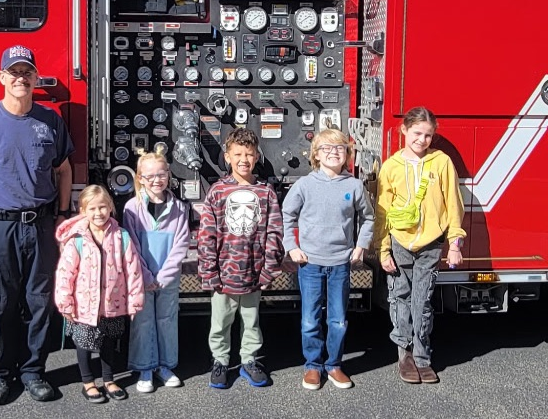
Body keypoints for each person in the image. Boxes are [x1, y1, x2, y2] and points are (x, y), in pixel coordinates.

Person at [0, 45, 74, 405]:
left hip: (40, 224)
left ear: (36, 78)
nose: (21, 78)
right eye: (14, 72)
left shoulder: (50, 120)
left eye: (27, 72)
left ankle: (34, 372)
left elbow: (63, 170)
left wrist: (63, 215)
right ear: (2, 78)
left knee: (39, 302)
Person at [374, 106, 466, 384]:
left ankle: (423, 356)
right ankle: (404, 354)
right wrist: (382, 248)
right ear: (404, 130)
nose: (422, 140)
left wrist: (455, 243)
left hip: (430, 245)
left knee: (422, 301)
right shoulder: (390, 166)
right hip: (399, 243)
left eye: (428, 135)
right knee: (400, 298)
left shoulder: (441, 162)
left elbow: (454, 204)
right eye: (417, 133)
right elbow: (382, 211)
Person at [282, 129, 374, 391]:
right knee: (310, 319)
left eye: (339, 148)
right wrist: (292, 247)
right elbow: (286, 215)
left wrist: (361, 246)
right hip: (309, 263)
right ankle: (313, 365)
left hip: (340, 265)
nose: (333, 152)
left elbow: (368, 218)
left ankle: (334, 365)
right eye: (326, 148)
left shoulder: (354, 186)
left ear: (347, 154)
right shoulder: (304, 185)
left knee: (338, 320)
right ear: (316, 155)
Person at [198, 128, 284, 389]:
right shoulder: (217, 192)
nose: (243, 159)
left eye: (249, 154)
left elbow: (274, 232)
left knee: (251, 320)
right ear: (227, 157)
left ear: (257, 156)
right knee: (220, 322)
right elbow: (206, 235)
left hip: (253, 272)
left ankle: (249, 359)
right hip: (223, 274)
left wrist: (269, 269)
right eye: (238, 154)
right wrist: (209, 272)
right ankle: (220, 361)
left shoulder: (266, 193)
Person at [55, 184, 145, 403]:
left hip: (112, 304)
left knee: (108, 343)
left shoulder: (121, 236)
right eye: (92, 209)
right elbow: (65, 274)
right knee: (84, 343)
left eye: (103, 207)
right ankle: (88, 382)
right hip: (84, 306)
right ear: (83, 211)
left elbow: (132, 270)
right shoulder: (77, 239)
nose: (98, 213)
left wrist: (134, 301)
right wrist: (65, 303)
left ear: (111, 207)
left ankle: (109, 379)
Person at [123, 153, 190, 393]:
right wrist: (146, 275)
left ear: (168, 175)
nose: (156, 180)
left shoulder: (179, 209)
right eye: (149, 176)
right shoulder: (132, 208)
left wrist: (162, 277)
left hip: (167, 279)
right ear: (140, 178)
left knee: (167, 320)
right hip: (142, 277)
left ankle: (165, 366)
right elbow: (130, 245)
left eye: (161, 174)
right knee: (142, 321)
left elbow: (181, 245)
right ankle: (145, 367)